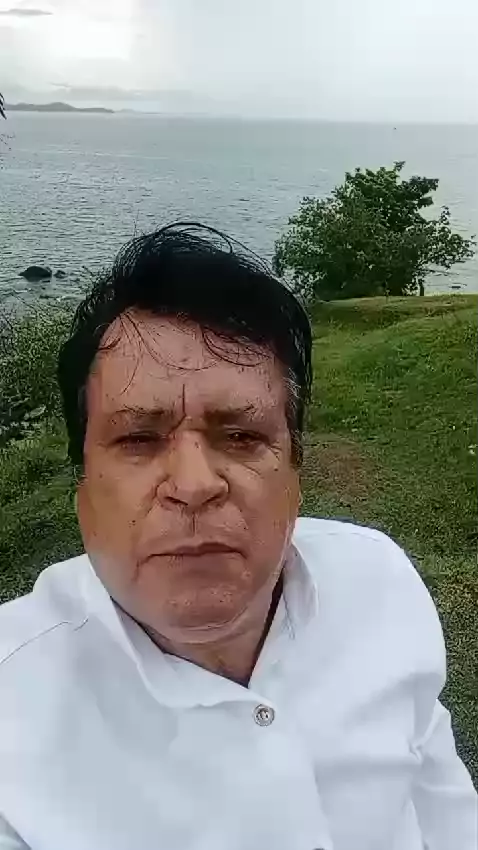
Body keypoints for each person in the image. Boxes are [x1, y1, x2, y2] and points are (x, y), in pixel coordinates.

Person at [0, 223, 476, 850]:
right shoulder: (13, 717)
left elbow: (445, 810)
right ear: (82, 489)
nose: (194, 485)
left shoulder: (381, 584)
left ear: (296, 475)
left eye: (242, 436)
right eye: (139, 439)